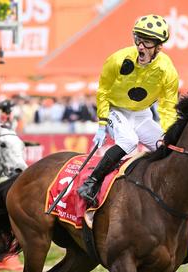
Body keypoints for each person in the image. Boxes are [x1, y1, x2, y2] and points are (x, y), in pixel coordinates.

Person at [76, 14, 179, 206]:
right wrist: (102, 123)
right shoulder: (117, 59)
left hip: (142, 115)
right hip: (117, 111)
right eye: (139, 40)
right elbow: (103, 91)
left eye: (147, 42)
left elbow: (167, 106)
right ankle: (91, 183)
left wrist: (169, 132)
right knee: (129, 141)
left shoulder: (167, 70)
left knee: (166, 148)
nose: (140, 46)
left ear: (159, 47)